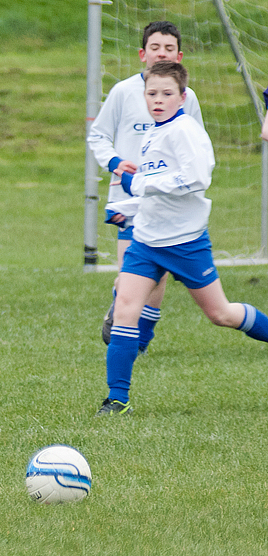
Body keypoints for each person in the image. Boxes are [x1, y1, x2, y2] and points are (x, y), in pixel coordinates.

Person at [96, 61, 268, 416]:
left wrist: (138, 184)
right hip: (146, 240)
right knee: (126, 309)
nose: (158, 100)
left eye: (166, 93)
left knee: (221, 314)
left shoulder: (185, 130)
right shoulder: (153, 133)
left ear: (183, 96)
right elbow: (155, 192)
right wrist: (127, 209)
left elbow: (196, 179)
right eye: (151, 93)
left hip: (186, 242)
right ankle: (117, 399)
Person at [87, 21, 204, 354]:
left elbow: (195, 145)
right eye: (155, 48)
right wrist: (114, 163)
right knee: (135, 271)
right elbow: (98, 135)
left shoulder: (187, 98)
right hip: (130, 199)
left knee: (159, 273)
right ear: (142, 54)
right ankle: (125, 322)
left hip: (168, 200)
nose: (161, 54)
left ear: (179, 57)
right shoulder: (124, 92)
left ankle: (139, 337)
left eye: (168, 49)